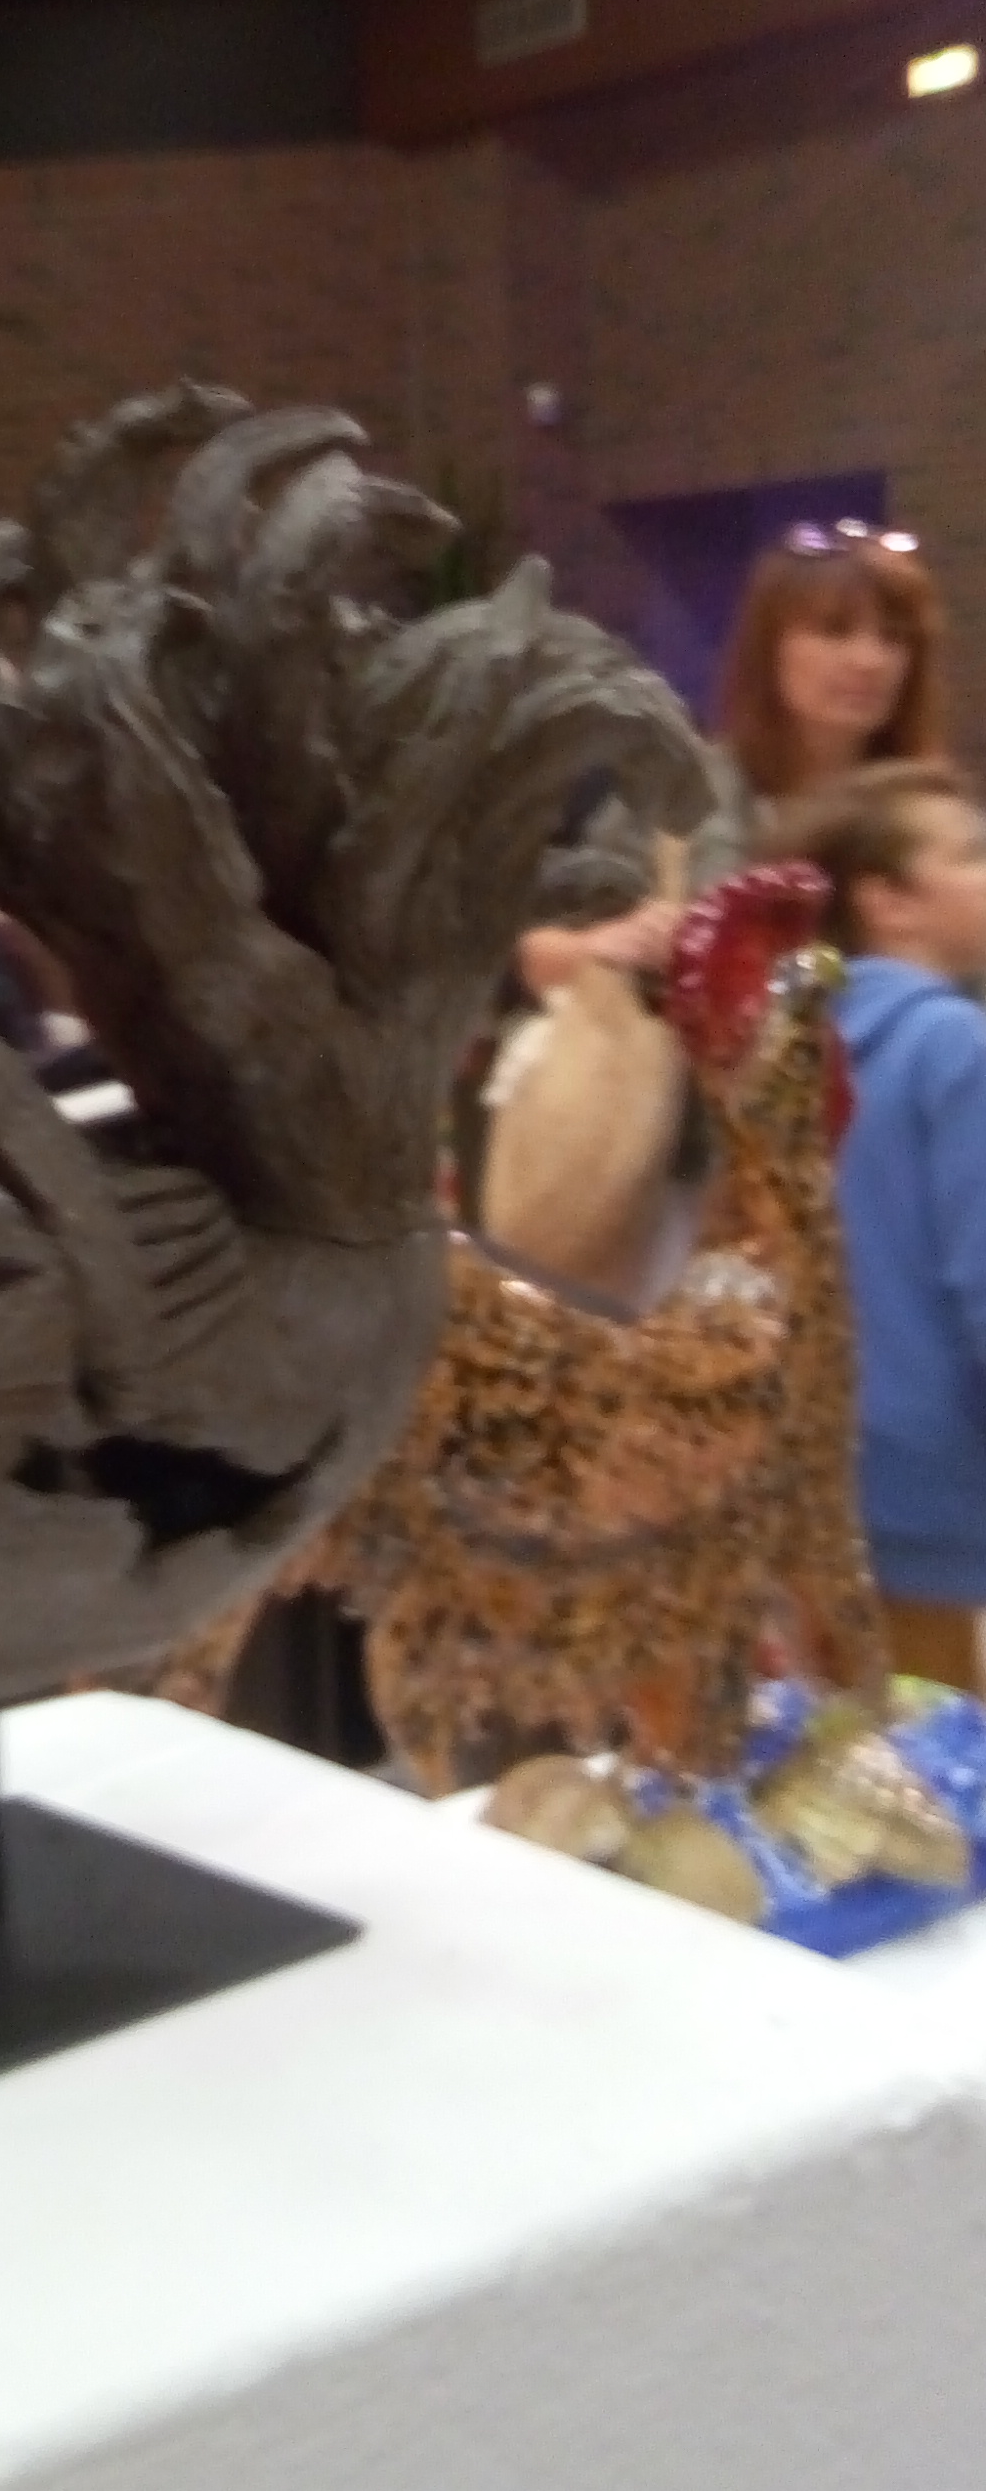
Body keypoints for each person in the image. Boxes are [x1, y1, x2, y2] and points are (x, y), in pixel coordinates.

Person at [520, 523, 946, 998]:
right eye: (835, 630)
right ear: (769, 649)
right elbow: (532, 953)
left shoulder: (933, 815)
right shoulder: (680, 788)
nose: (870, 660)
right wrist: (609, 945)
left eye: (893, 638)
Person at [777, 760, 986, 1694]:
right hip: (939, 1489)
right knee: (936, 1756)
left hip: (817, 1473)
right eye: (969, 854)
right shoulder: (956, 1046)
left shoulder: (788, 1048)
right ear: (888, 902)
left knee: (832, 1741)